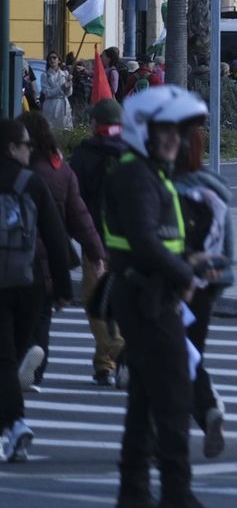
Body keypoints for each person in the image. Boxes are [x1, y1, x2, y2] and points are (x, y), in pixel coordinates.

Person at [104, 88, 225, 506]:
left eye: (179, 131)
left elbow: (158, 241)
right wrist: (184, 272)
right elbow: (143, 241)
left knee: (143, 400)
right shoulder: (136, 176)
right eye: (166, 130)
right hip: (147, 297)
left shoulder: (147, 173)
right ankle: (177, 493)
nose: (177, 139)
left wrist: (190, 261)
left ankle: (134, 492)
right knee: (173, 398)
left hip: (151, 292)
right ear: (144, 130)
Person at [0, 118, 73, 463]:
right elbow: (57, 240)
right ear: (11, 148)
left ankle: (15, 424)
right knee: (8, 359)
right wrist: (62, 289)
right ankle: (14, 425)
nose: (30, 150)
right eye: (26, 145)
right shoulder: (32, 183)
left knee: (4, 361)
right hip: (28, 285)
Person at [19, 111, 103, 389]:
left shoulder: (17, 171)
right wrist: (96, 253)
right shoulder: (61, 171)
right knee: (43, 316)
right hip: (50, 261)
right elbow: (80, 217)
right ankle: (36, 372)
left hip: (17, 256)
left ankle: (19, 360)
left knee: (15, 315)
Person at [173, 119, 235, 459]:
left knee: (169, 358)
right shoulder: (215, 189)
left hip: (175, 283)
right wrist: (217, 285)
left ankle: (166, 430)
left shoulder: (168, 189)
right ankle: (207, 412)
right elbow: (228, 247)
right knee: (191, 353)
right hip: (208, 285)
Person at [68, 98, 129, 386]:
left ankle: (121, 355)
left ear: (96, 123)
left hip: (96, 243)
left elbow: (73, 200)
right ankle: (105, 364)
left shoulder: (85, 155)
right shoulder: (134, 153)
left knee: (95, 303)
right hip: (128, 244)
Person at [39, 53, 72, 130]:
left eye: (54, 57)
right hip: (51, 106)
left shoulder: (65, 74)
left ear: (59, 60)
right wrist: (61, 87)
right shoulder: (44, 75)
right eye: (50, 58)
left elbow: (69, 93)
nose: (52, 60)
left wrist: (69, 85)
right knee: (51, 130)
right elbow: (47, 93)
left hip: (63, 106)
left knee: (65, 130)